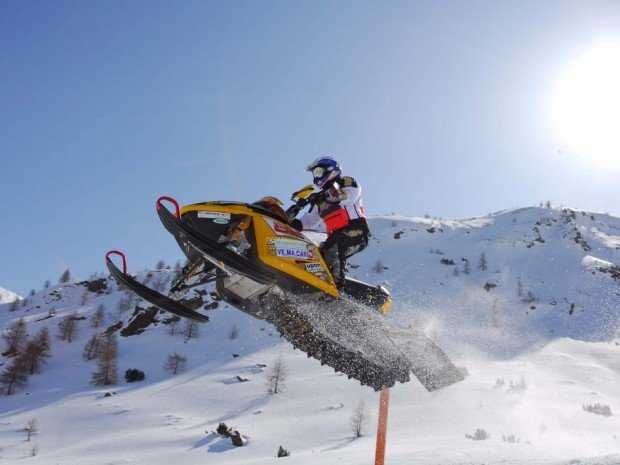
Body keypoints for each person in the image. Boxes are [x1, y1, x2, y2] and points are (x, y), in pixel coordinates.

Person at [291, 157, 369, 288]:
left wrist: (324, 195)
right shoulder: (320, 200)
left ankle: (337, 288)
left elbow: (345, 196)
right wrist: (294, 224)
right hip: (337, 235)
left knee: (335, 244)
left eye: (319, 172)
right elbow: (310, 220)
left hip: (357, 230)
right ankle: (313, 286)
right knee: (317, 255)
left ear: (330, 170)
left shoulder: (346, 182)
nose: (316, 177)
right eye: (315, 174)